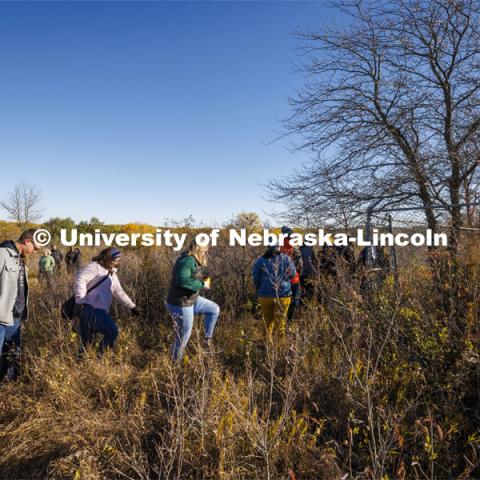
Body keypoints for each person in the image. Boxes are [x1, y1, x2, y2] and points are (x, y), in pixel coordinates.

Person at [74, 247, 140, 354]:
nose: (117, 262)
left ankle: (84, 364)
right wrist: (80, 301)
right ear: (108, 258)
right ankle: (101, 357)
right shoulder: (95, 267)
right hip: (90, 309)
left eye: (118, 260)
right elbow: (80, 279)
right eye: (116, 259)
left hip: (99, 310)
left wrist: (132, 306)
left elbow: (118, 291)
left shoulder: (112, 274)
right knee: (112, 331)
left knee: (87, 343)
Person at [166, 239, 220, 362]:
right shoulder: (186, 261)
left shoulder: (194, 261)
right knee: (183, 338)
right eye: (204, 250)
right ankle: (176, 366)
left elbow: (193, 276)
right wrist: (201, 284)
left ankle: (207, 342)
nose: (206, 253)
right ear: (198, 249)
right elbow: (182, 281)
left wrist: (204, 279)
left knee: (213, 309)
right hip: (181, 303)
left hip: (191, 299)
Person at [0, 229, 40, 381]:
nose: (35, 252)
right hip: (1, 319)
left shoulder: (20, 260)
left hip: (15, 319)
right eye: (35, 248)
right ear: (27, 242)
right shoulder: (3, 253)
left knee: (11, 358)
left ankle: (7, 391)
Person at [252, 243, 297, 337]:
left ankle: (268, 347)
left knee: (267, 324)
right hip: (283, 296)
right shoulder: (286, 259)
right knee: (280, 325)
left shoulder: (261, 260)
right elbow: (293, 274)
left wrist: (260, 288)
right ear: (279, 247)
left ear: (268, 247)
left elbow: (256, 277)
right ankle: (279, 349)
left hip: (265, 296)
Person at [280, 226, 303, 324]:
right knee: (295, 299)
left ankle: (283, 320)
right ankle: (289, 321)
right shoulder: (295, 245)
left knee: (282, 301)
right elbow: (300, 264)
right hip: (294, 279)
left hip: (281, 280)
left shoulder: (279, 246)